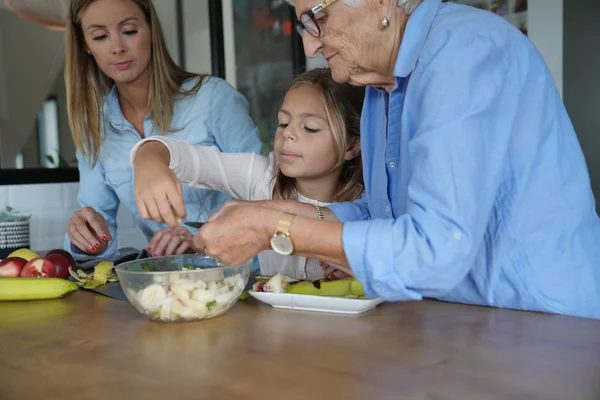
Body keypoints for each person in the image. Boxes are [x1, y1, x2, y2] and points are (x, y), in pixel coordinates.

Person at [140, 0, 600, 319]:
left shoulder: (465, 52)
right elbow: (379, 214)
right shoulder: (381, 86)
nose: (309, 47)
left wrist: (273, 230)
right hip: (463, 317)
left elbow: (435, 249)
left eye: (313, 19)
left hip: (542, 322)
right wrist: (277, 211)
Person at [62, 0, 261, 258]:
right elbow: (99, 240)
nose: (117, 48)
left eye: (130, 31)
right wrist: (87, 237)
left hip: (245, 281)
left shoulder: (214, 99)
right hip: (168, 287)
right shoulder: (94, 128)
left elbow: (266, 195)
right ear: (86, 46)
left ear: (151, 31)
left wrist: (203, 240)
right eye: (100, 36)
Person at [131, 68, 364, 280]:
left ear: (351, 147)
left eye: (310, 128)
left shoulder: (370, 204)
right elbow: (193, 160)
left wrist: (358, 271)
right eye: (283, 123)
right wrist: (149, 159)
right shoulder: (260, 176)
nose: (288, 134)